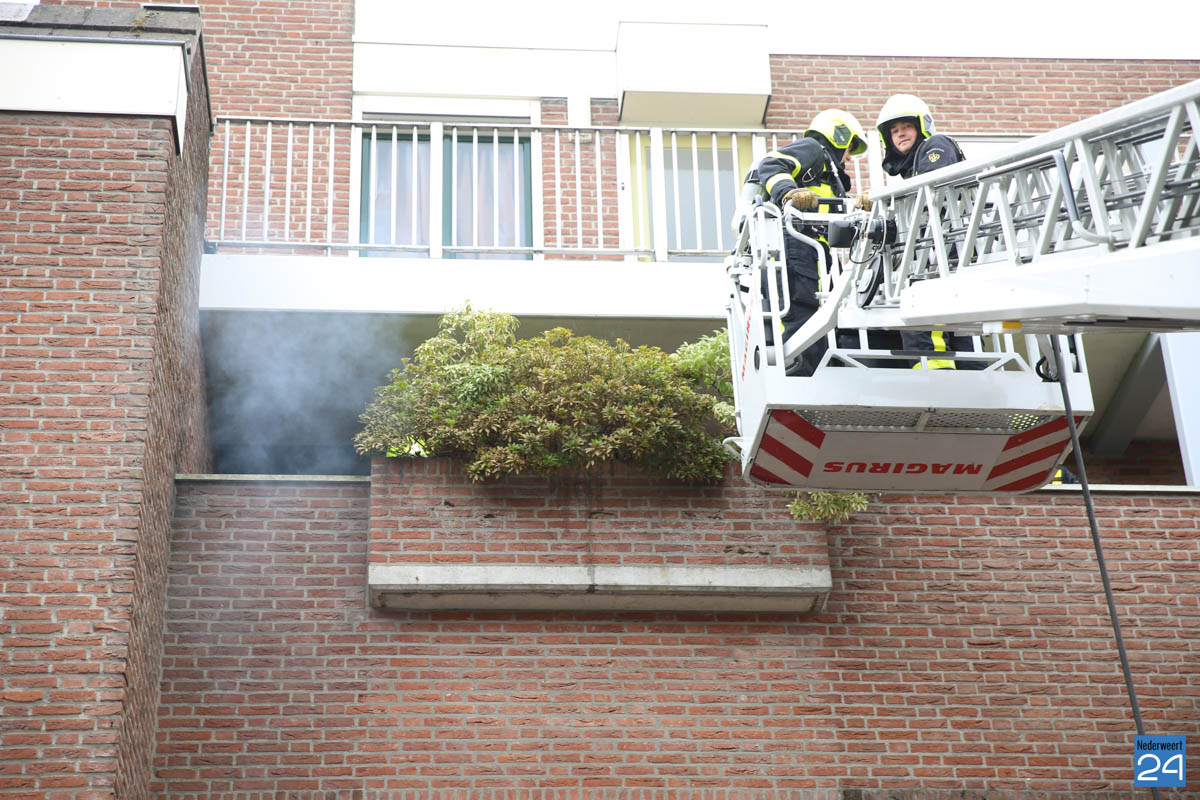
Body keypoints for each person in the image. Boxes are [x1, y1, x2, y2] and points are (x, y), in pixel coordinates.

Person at [743, 109, 868, 376]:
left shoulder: (829, 176)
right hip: (795, 247)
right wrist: (788, 192)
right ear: (838, 136)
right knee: (801, 314)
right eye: (849, 148)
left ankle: (818, 372)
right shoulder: (813, 150)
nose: (848, 157)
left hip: (814, 253)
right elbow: (772, 164)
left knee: (820, 317)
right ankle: (799, 372)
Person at [875, 94, 984, 370]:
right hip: (936, 252)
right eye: (894, 131)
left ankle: (935, 375)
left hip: (943, 250)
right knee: (956, 328)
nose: (900, 134)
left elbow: (930, 190)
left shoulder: (936, 145)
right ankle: (969, 374)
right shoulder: (911, 167)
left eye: (906, 127)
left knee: (922, 318)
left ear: (922, 127)